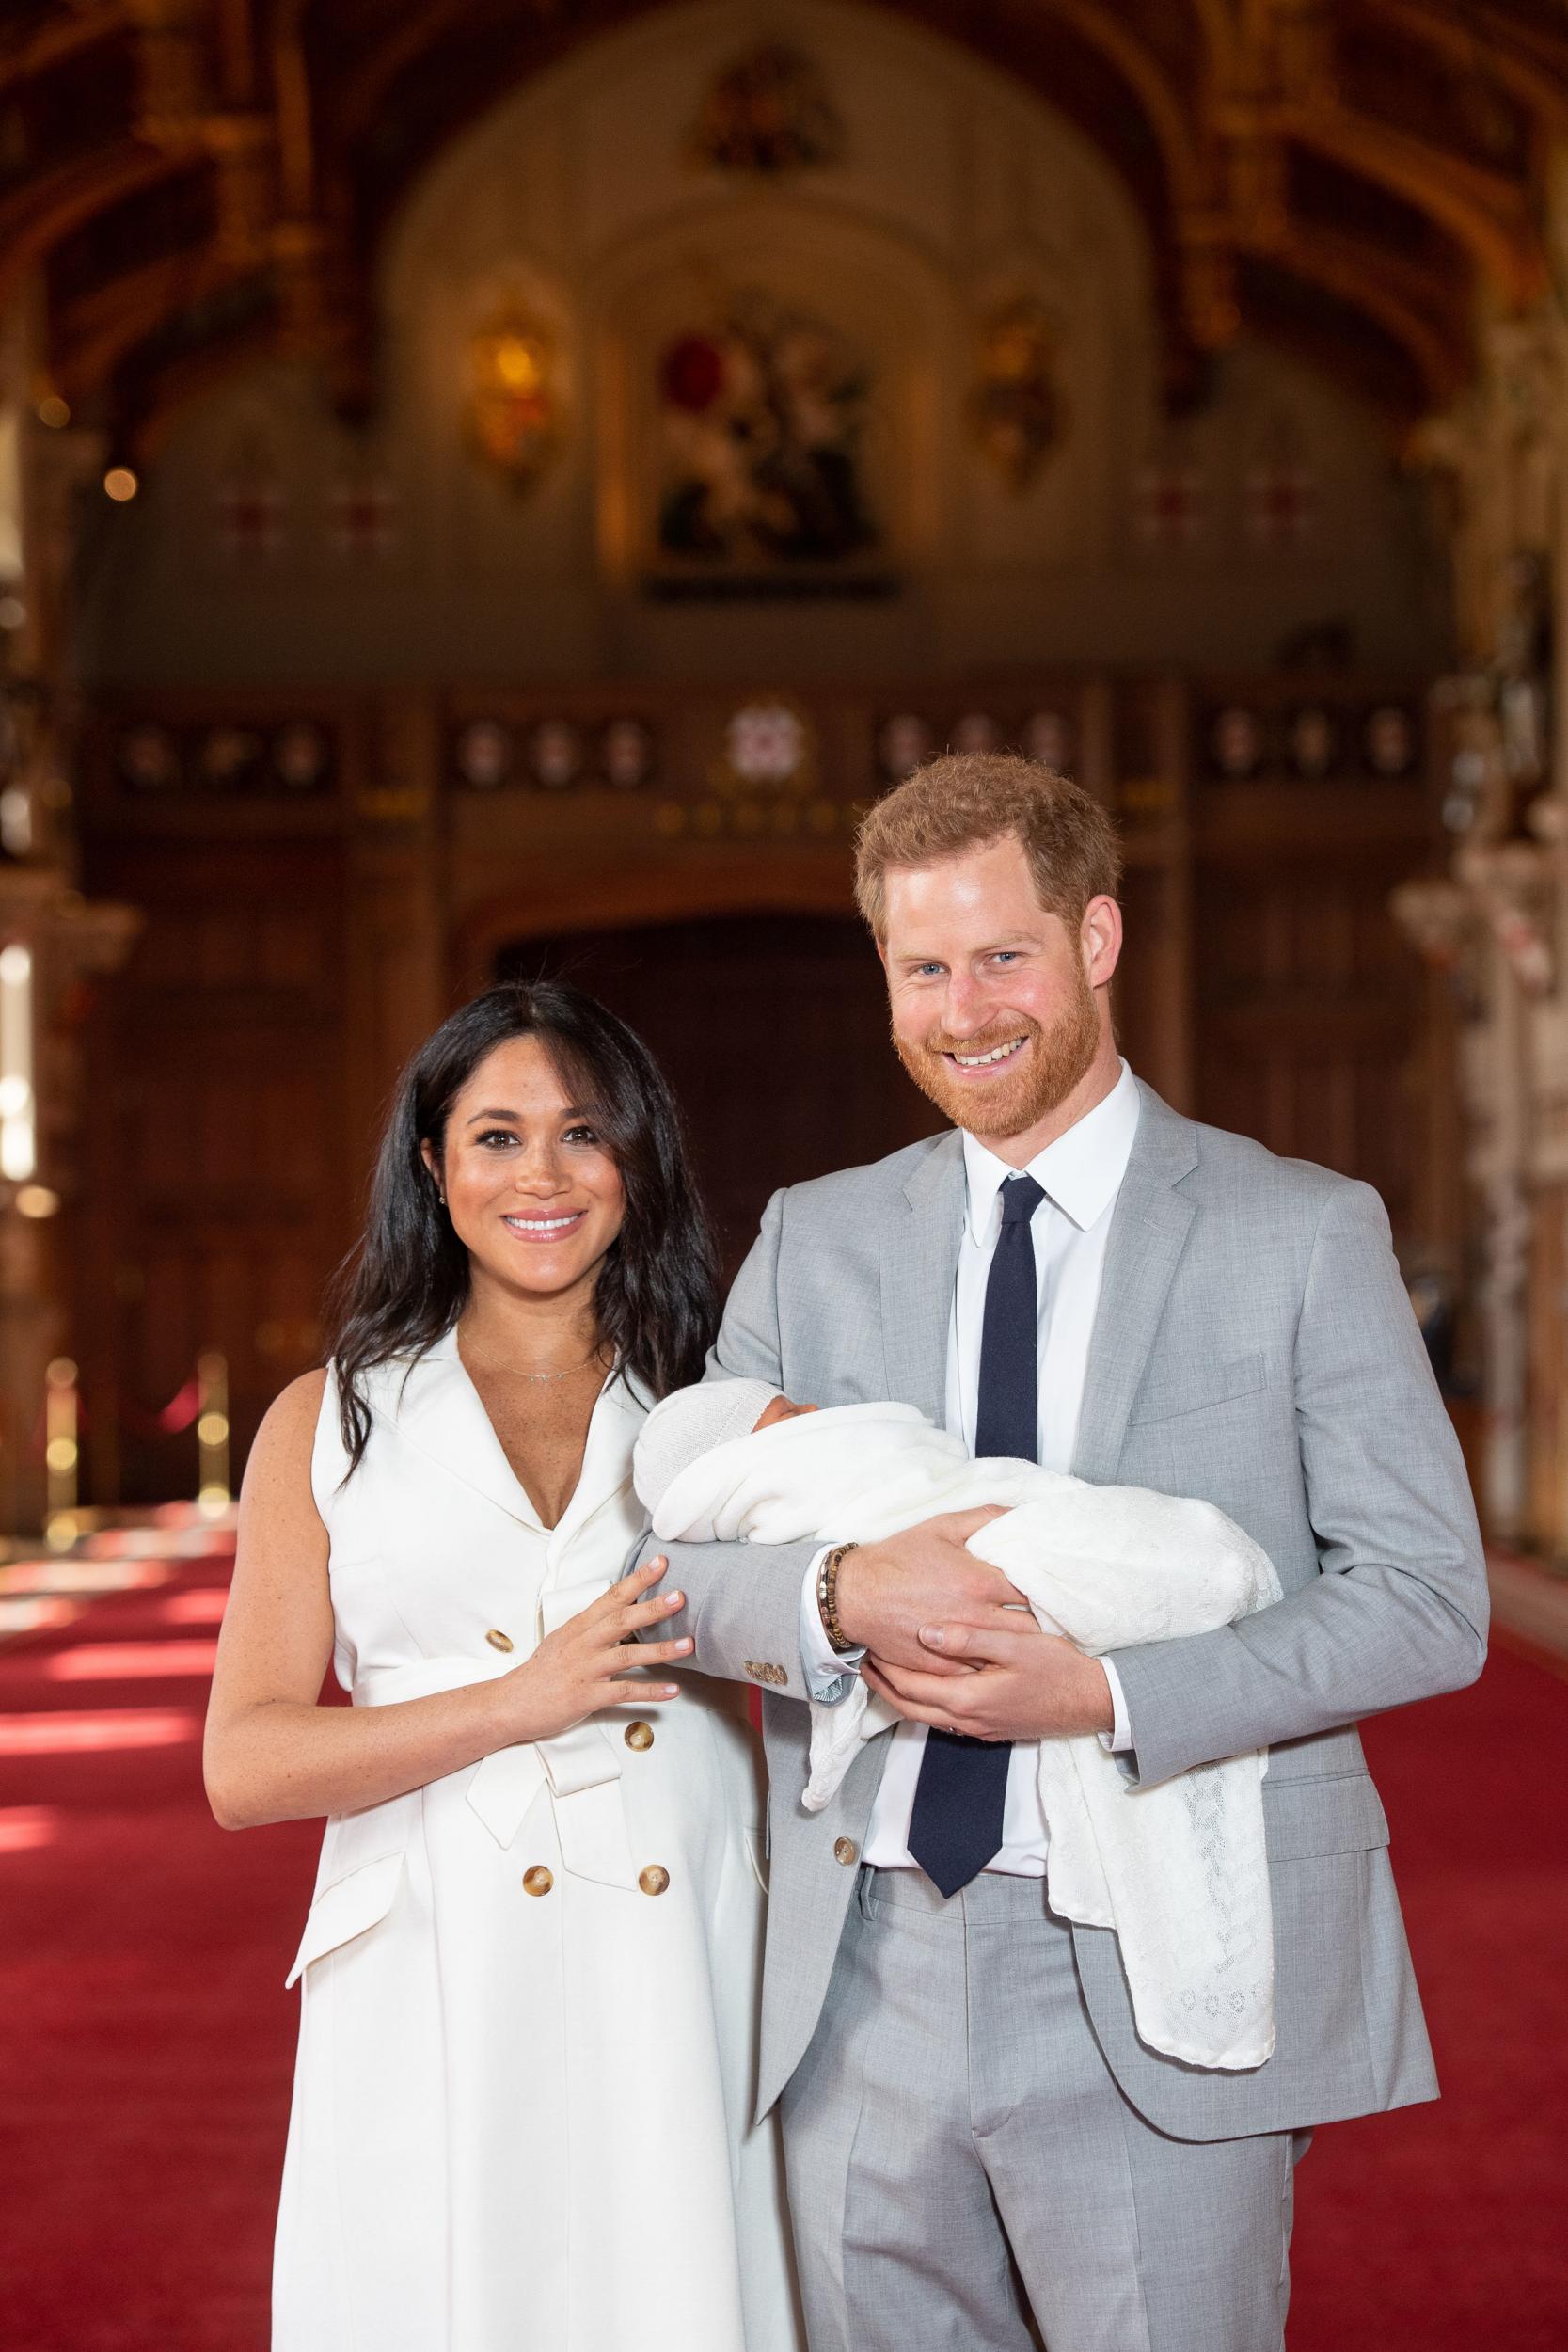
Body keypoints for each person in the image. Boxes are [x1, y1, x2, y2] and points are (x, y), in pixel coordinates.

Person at [639, 755, 1488, 2352]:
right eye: (921, 967)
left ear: (1095, 939)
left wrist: (1104, 1690)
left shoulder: (1295, 1229)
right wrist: (837, 1592)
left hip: (1148, 1951)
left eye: (1002, 955)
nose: (964, 1010)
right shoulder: (814, 1235)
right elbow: (671, 1560)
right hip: (857, 1966)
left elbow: (1427, 1600)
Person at [203, 981, 802, 2352]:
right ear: (432, 1161)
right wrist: (509, 1703)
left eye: (582, 1134)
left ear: (635, 1158)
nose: (541, 1175)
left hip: (685, 1950)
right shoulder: (332, 1418)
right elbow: (245, 1765)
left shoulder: (725, 1405)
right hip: (429, 1962)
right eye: (495, 1136)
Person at [632, 1375, 1283, 2073]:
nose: (817, 1414)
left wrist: (1107, 1694)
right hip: (862, 1930)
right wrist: (840, 1594)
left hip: (1092, 1915)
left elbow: (1409, 1587)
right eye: (792, 1417)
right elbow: (660, 1577)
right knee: (1140, 1562)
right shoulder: (791, 1276)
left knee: (1168, 1558)